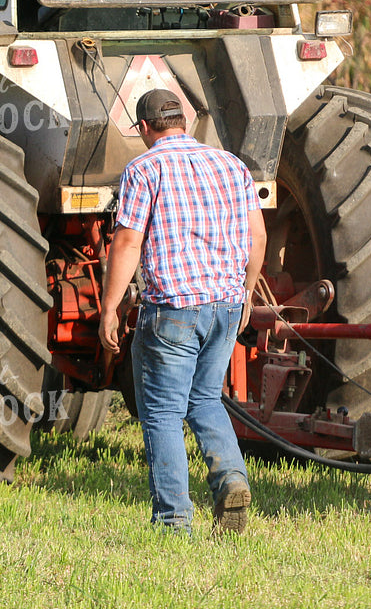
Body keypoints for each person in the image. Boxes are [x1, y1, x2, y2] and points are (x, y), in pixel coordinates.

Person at [98, 89, 267, 536]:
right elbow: (257, 235)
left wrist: (110, 307)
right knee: (206, 400)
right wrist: (247, 293)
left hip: (174, 308)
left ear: (144, 129)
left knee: (162, 413)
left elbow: (129, 242)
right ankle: (231, 478)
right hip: (226, 305)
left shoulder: (143, 169)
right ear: (186, 121)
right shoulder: (233, 166)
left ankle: (174, 519)